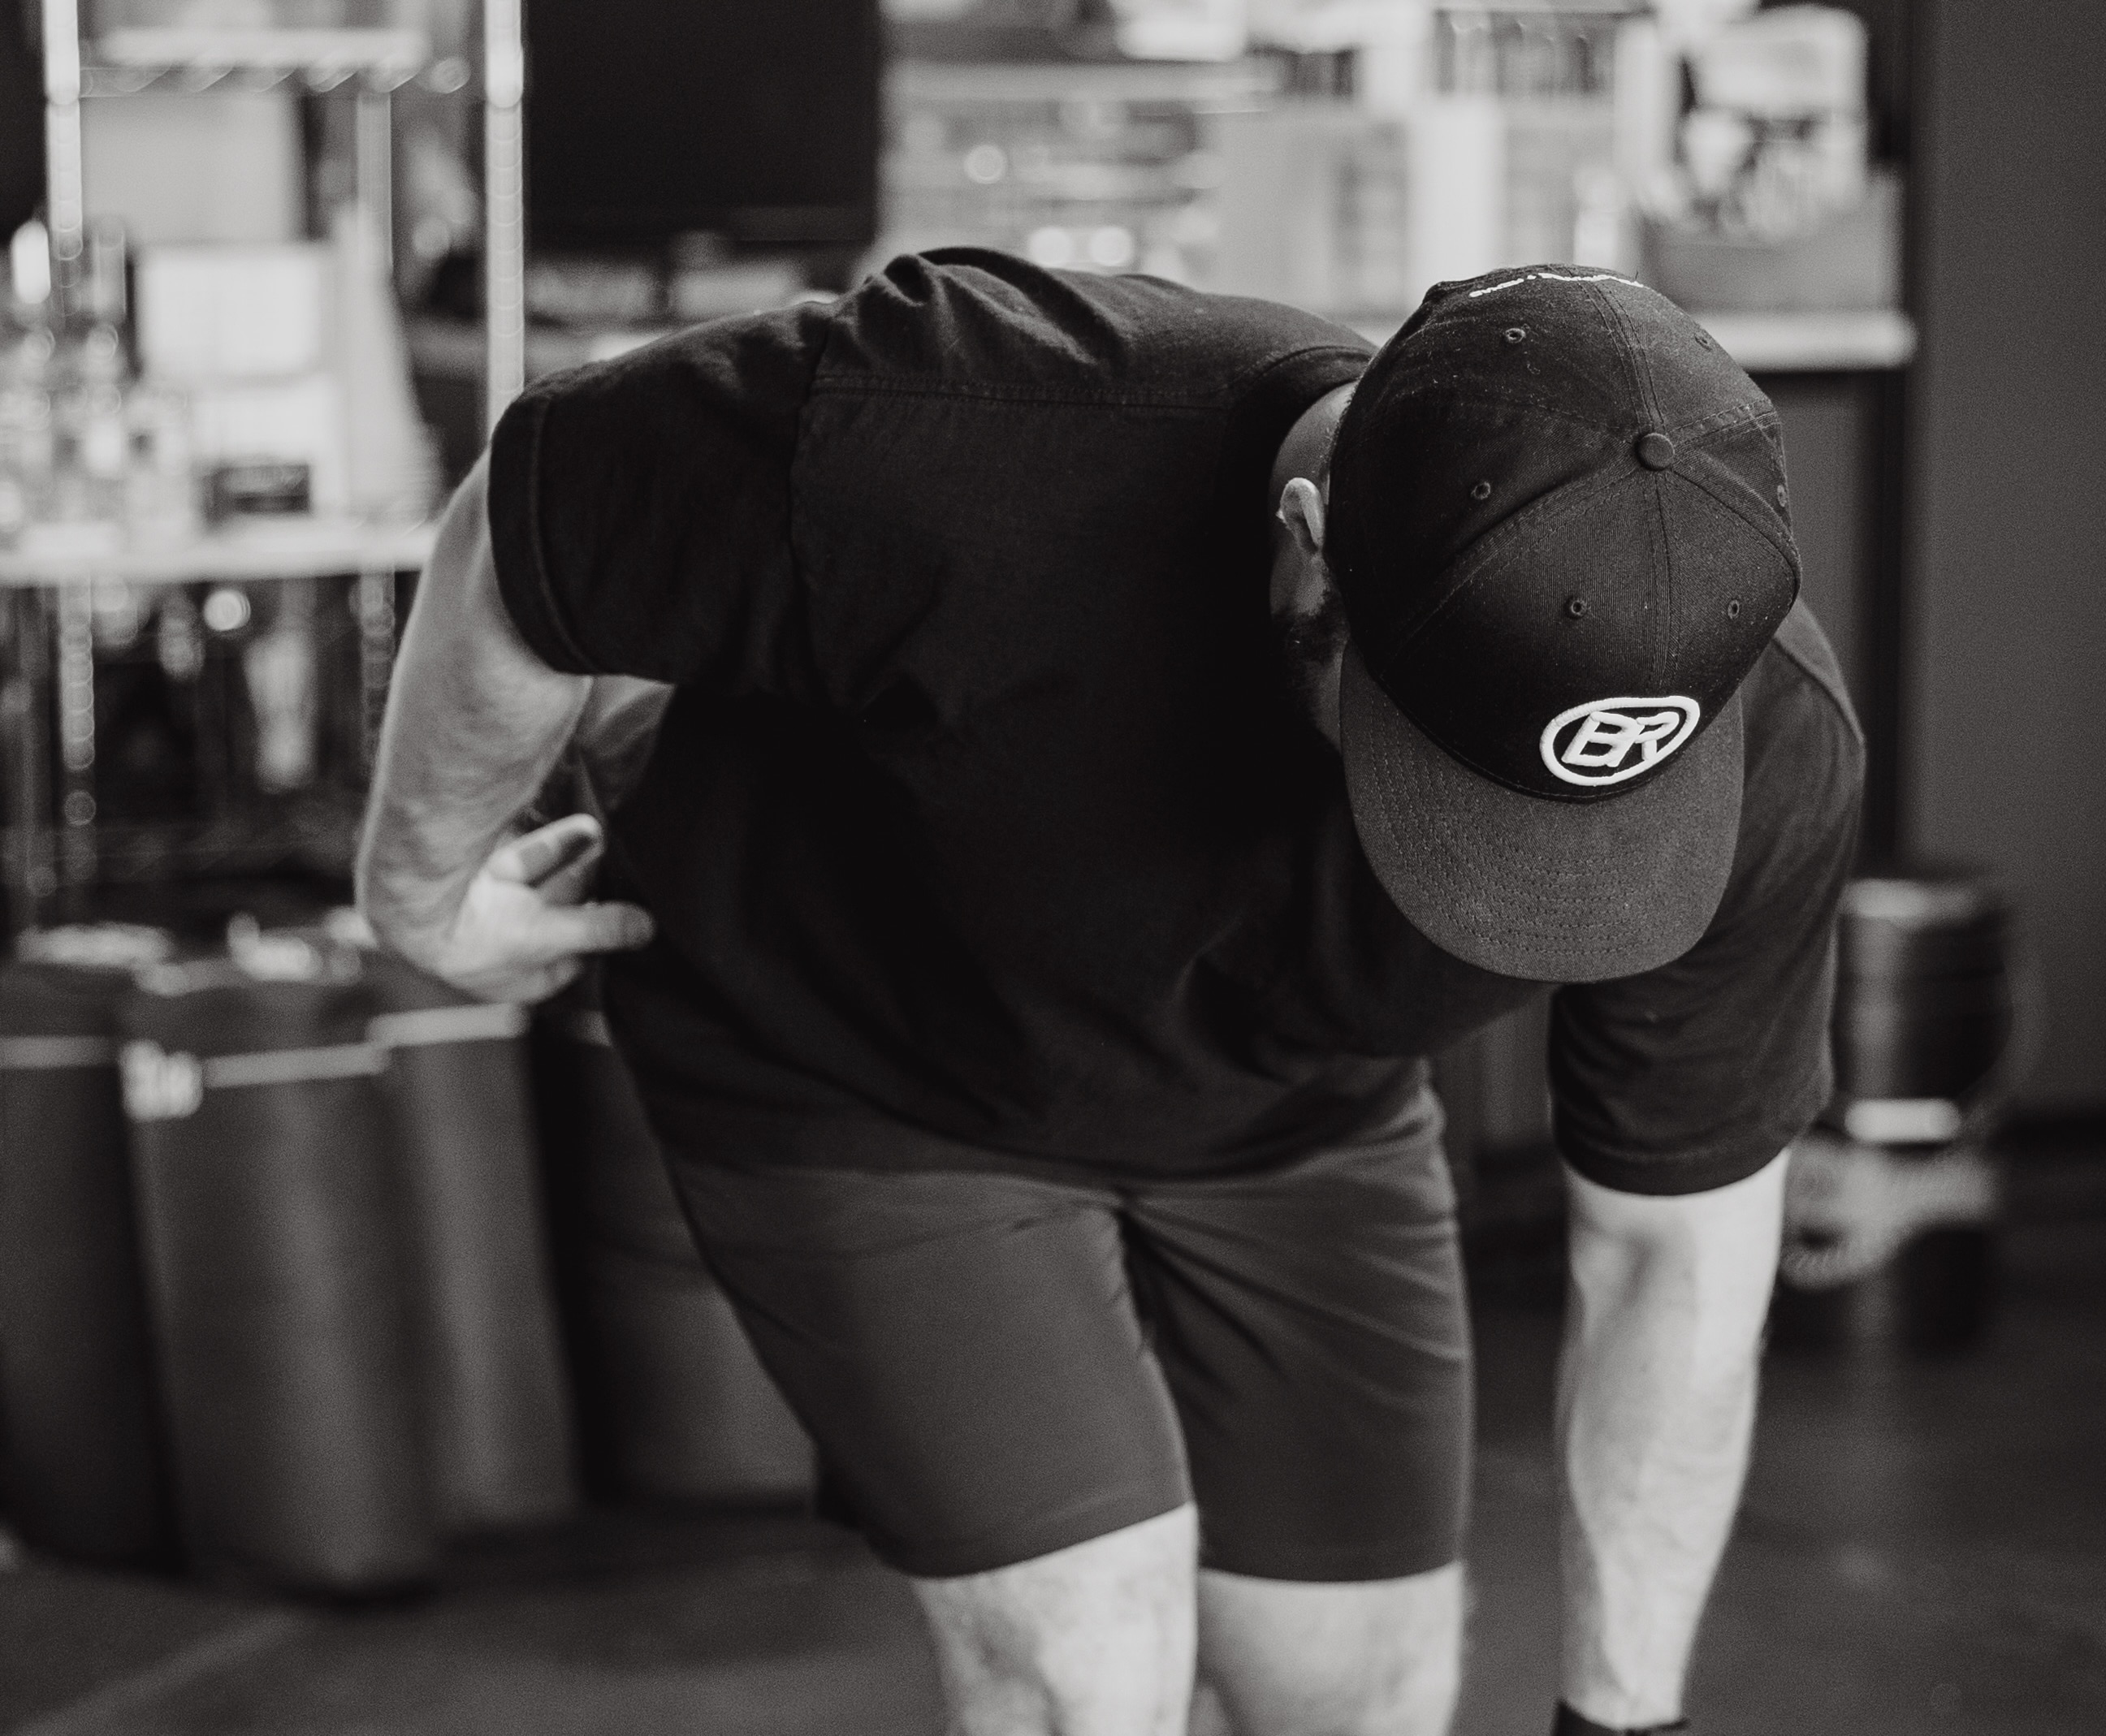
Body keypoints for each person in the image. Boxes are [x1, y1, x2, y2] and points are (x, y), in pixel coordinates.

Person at [358, 253, 1862, 1736]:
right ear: (1307, 546)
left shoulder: (1764, 750)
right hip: (864, 1048)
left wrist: (1622, 1720)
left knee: (1362, 1699)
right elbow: (530, 516)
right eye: (1444, 777)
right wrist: (422, 889)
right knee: (1091, 1670)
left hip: (1294, 1102)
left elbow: (1675, 1252)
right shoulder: (958, 427)